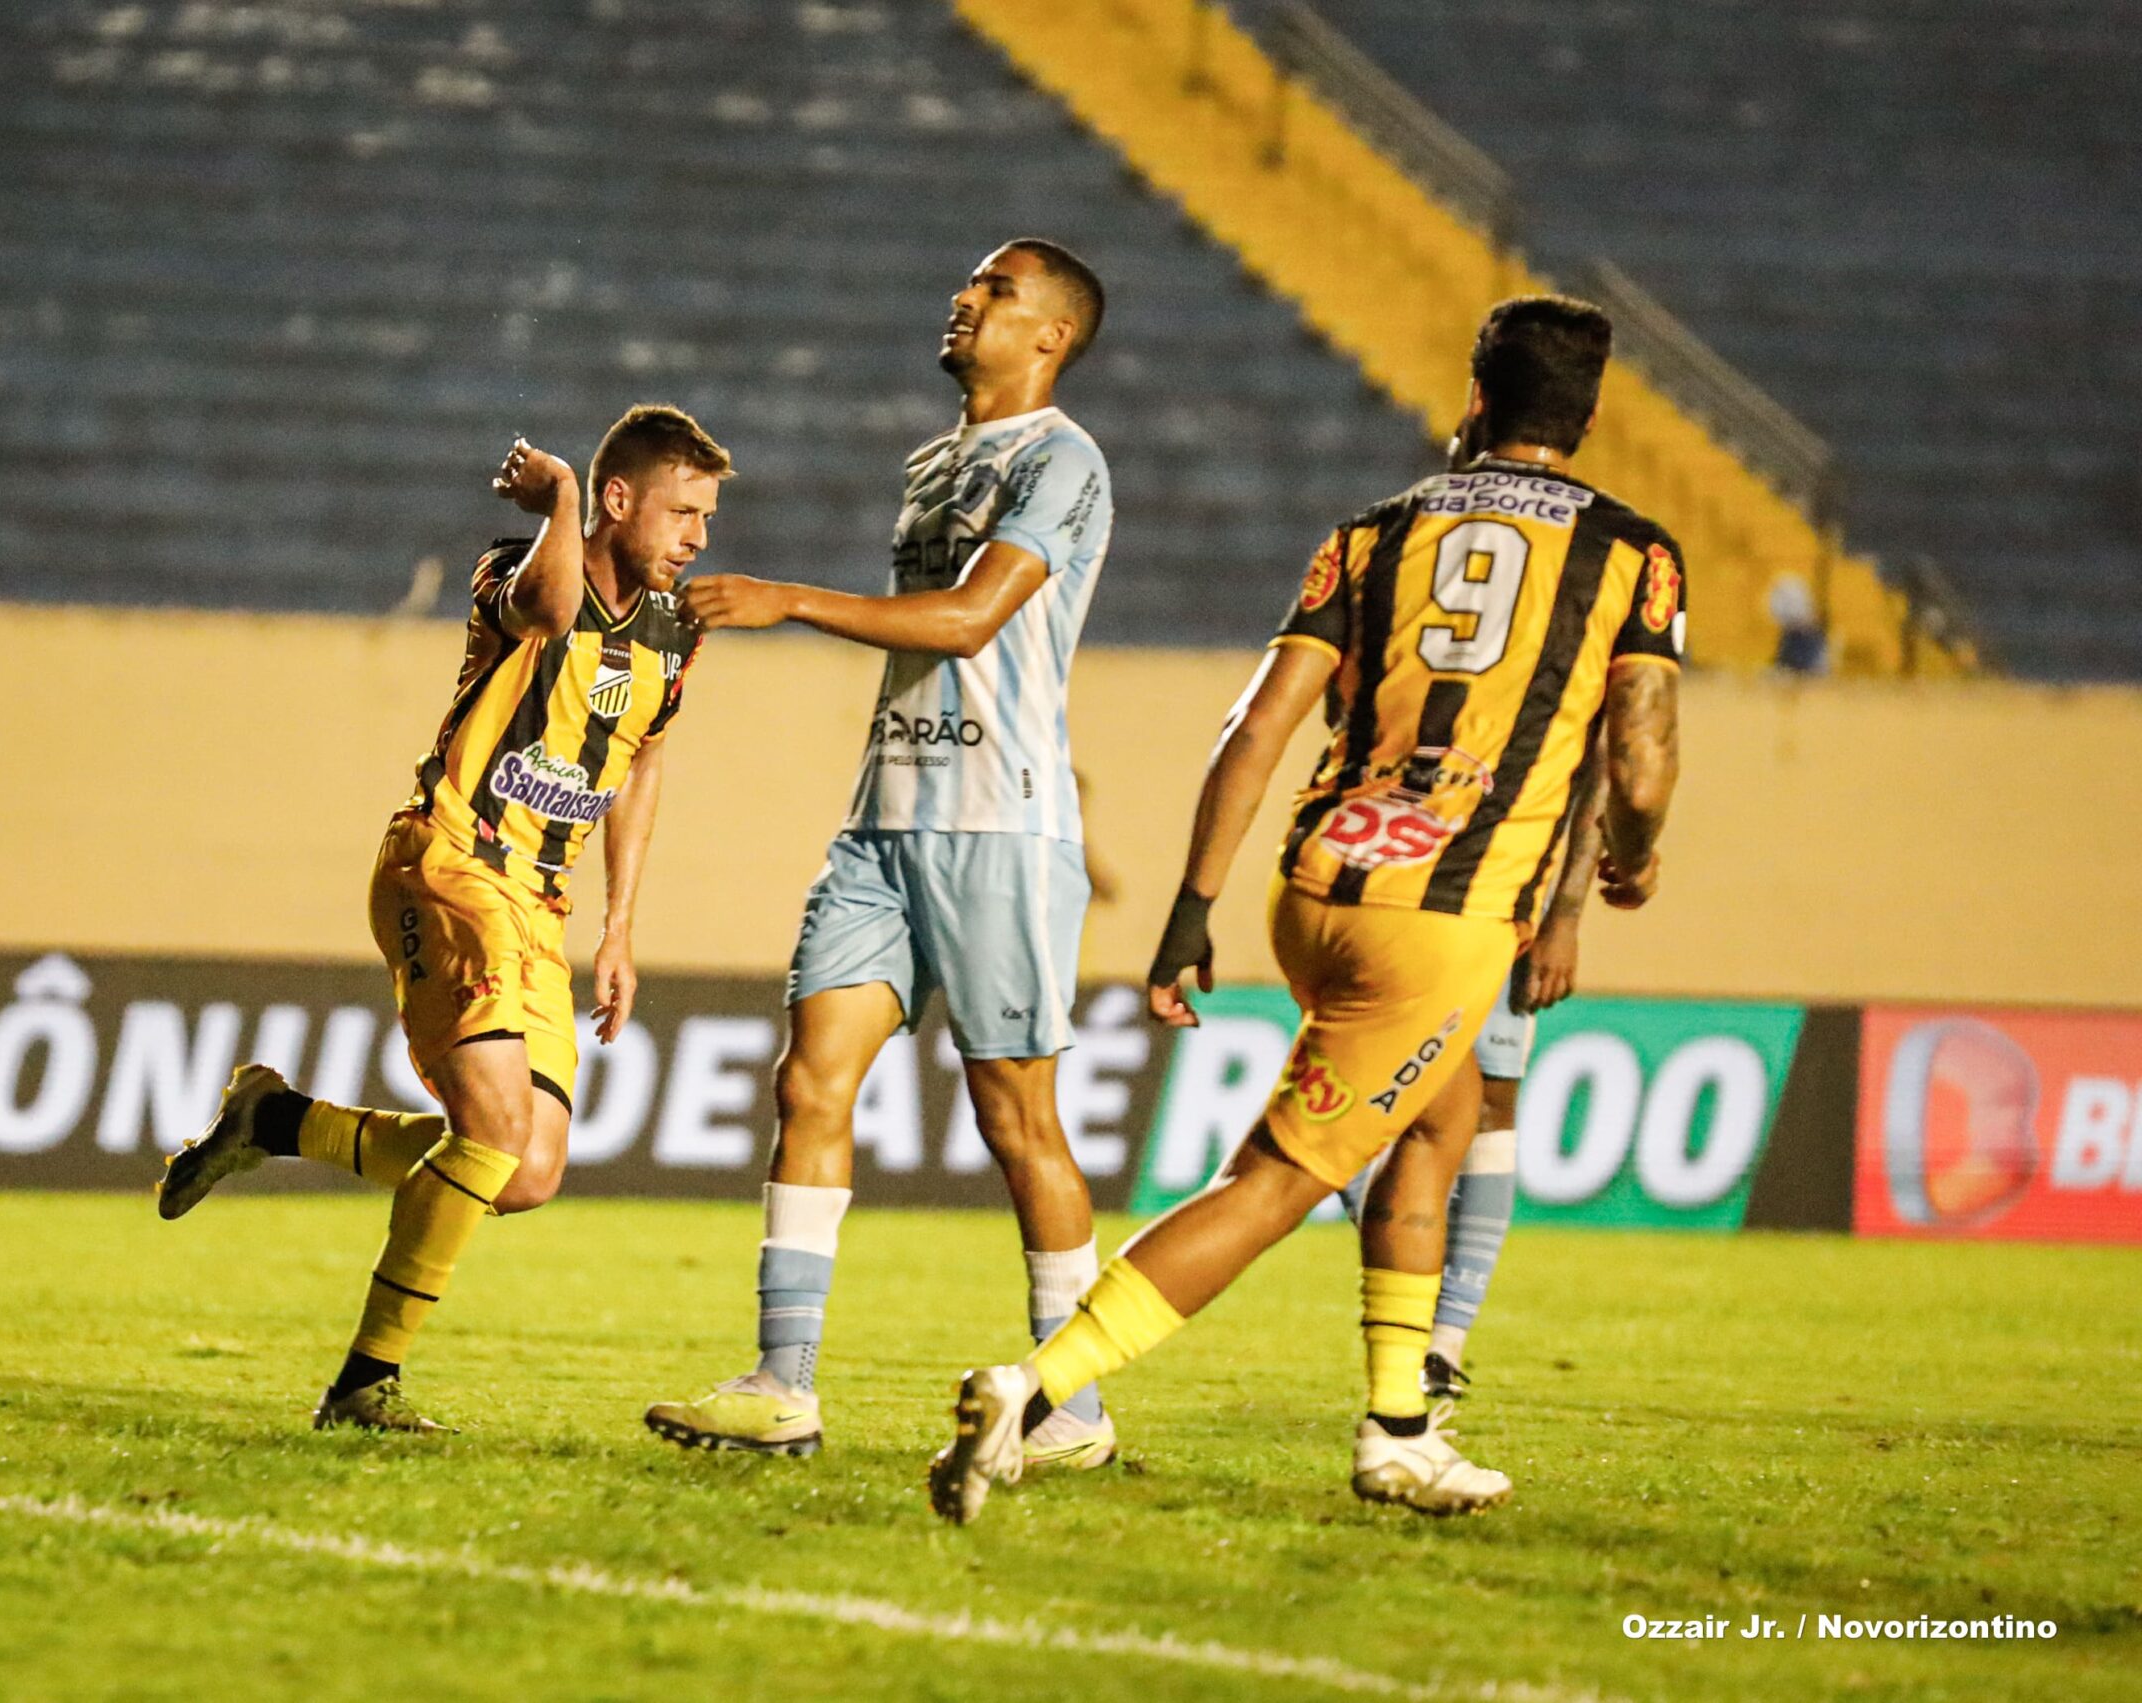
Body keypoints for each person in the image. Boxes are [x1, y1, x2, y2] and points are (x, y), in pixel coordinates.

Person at [928, 294, 1683, 1523]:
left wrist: (1191, 906)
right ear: (1589, 418)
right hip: (1442, 916)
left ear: (1474, 397)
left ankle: (1397, 1429)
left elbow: (1256, 726)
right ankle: (1035, 1389)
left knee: (1437, 1128)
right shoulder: (1631, 553)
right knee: (1274, 1179)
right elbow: (1640, 758)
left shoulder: (1370, 535)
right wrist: (1629, 861)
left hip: (1317, 882)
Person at [155, 405, 730, 1434]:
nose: (698, 537)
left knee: (526, 1172)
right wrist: (557, 499)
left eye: (707, 517)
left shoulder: (673, 631)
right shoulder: (517, 565)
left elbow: (640, 759)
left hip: (541, 907)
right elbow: (551, 613)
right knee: (497, 1133)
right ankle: (362, 1385)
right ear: (615, 498)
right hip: (450, 863)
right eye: (682, 511)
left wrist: (622, 925)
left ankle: (272, 1119)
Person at [641, 240, 1120, 1469]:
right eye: (968, 284)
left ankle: (1073, 1408)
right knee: (810, 1080)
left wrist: (790, 599)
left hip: (999, 828)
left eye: (996, 292)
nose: (964, 300)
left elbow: (968, 621)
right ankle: (781, 1382)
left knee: (1018, 1120)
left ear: (1051, 335)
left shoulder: (1065, 461)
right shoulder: (933, 463)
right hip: (882, 821)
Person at [1338, 741, 1603, 1400]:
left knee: (1490, 1107)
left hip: (1501, 907)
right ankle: (1415, 1294)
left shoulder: (1572, 652)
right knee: (1350, 1099)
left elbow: (1604, 763)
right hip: (1388, 893)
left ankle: (1442, 1343)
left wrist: (1566, 912)